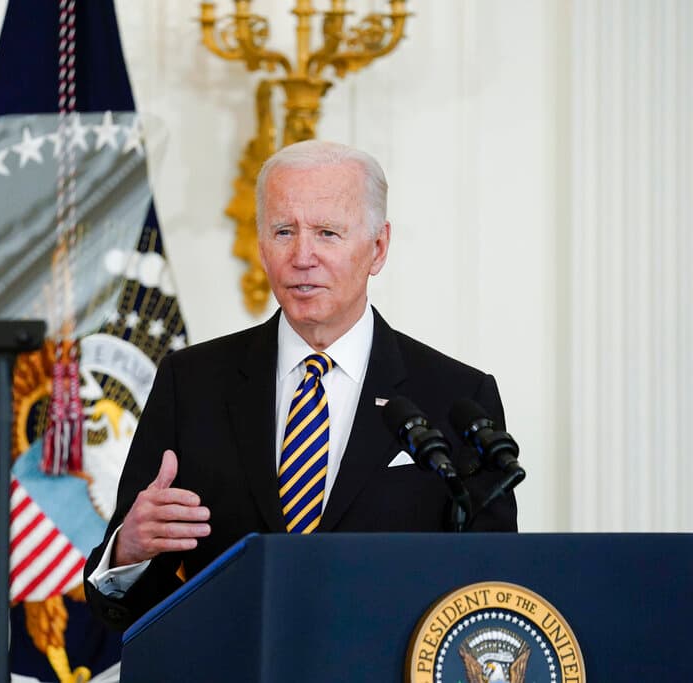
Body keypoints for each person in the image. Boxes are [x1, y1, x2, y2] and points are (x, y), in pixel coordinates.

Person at [84, 140, 517, 631]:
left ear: (378, 248)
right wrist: (128, 552)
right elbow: (132, 608)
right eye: (283, 231)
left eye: (328, 233)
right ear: (261, 245)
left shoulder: (455, 396)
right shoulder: (193, 383)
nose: (302, 255)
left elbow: (494, 592)